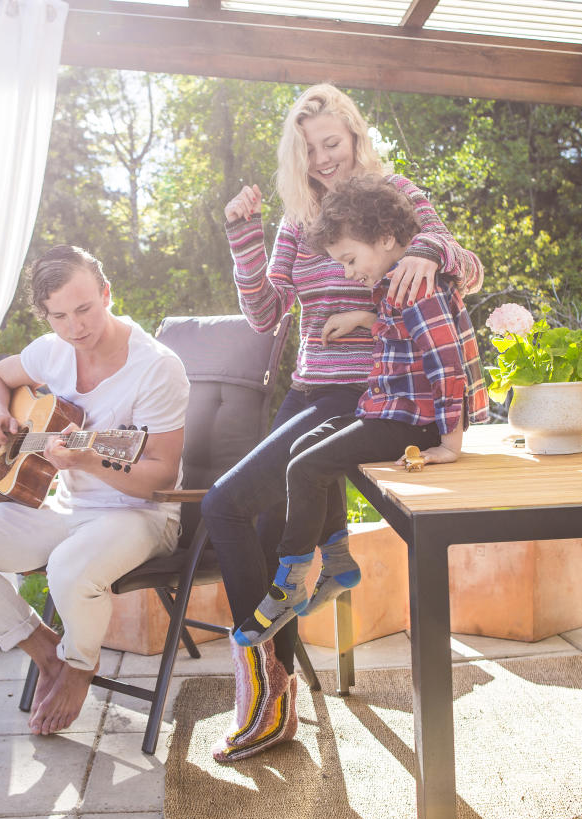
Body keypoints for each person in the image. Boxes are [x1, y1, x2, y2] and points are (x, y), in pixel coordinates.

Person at [204, 83, 484, 763]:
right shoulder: (298, 220)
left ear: (357, 135)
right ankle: (275, 684)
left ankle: (270, 691)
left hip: (373, 395)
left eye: (332, 143)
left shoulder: (399, 195)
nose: (323, 160)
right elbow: (266, 315)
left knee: (226, 506)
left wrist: (429, 252)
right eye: (309, 151)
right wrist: (243, 236)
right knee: (252, 519)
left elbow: (467, 270)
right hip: (309, 390)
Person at [0, 245, 189, 736]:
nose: (75, 327)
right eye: (59, 316)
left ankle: (80, 665)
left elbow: (162, 477)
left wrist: (87, 458)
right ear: (45, 315)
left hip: (140, 515)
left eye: (84, 309)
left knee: (67, 567)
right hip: (64, 508)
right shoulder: (52, 349)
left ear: (106, 294)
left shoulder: (156, 367)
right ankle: (45, 652)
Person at [235, 174, 490, 652]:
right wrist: (365, 319)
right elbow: (407, 334)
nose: (348, 273)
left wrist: (450, 444)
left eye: (350, 260)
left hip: (408, 423)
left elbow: (446, 362)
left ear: (388, 239)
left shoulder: (417, 284)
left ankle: (290, 582)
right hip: (387, 411)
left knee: (307, 467)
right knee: (306, 445)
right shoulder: (394, 284)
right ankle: (336, 560)